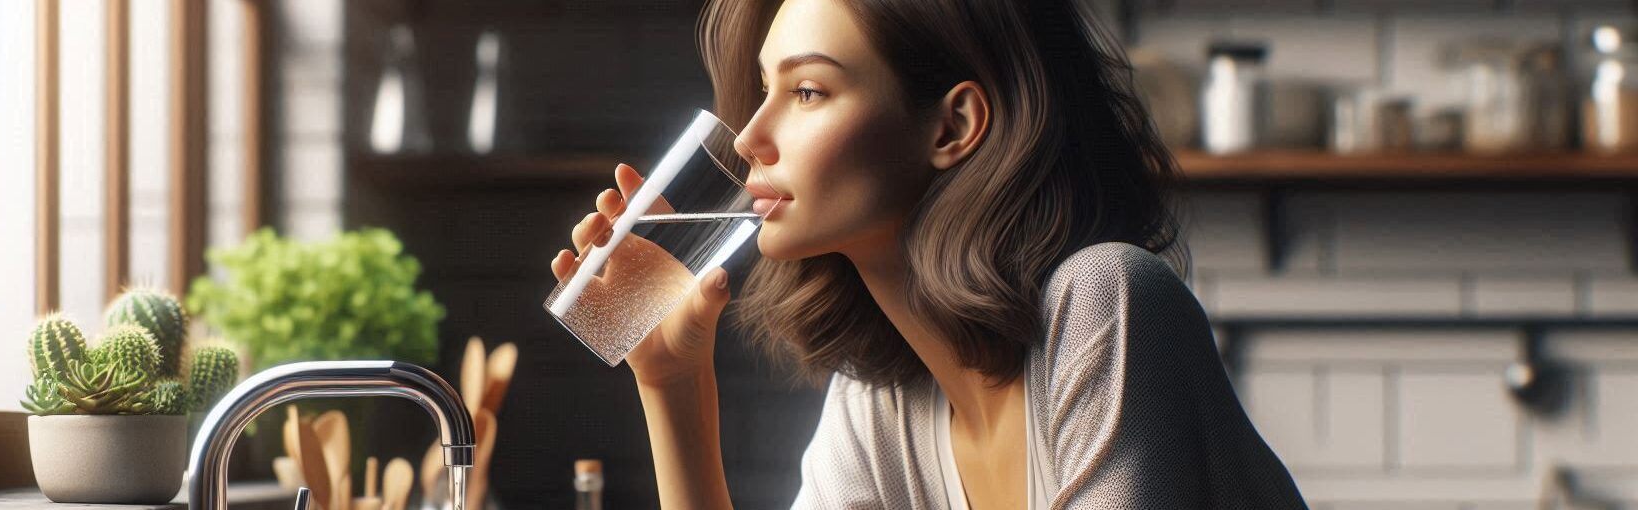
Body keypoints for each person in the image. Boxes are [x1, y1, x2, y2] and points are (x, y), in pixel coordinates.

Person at [549, 0, 1309, 507]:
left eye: (808, 91)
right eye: (761, 88)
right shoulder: (881, 401)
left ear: (952, 128)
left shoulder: (1105, 303)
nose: (749, 137)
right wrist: (673, 383)